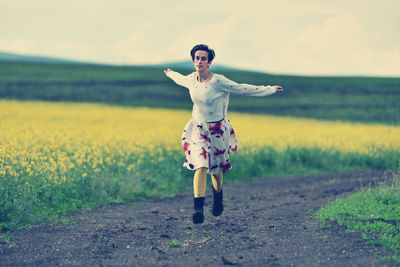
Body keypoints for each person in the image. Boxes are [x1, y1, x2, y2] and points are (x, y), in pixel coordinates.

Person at [164, 44, 283, 224]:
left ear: (209, 62)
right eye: (197, 58)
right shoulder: (191, 79)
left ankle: (218, 196)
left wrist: (269, 89)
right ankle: (198, 210)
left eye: (204, 58)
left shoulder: (218, 81)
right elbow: (179, 79)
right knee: (200, 165)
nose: (200, 61)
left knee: (216, 170)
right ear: (193, 60)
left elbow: (243, 88)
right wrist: (170, 73)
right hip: (198, 129)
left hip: (217, 131)